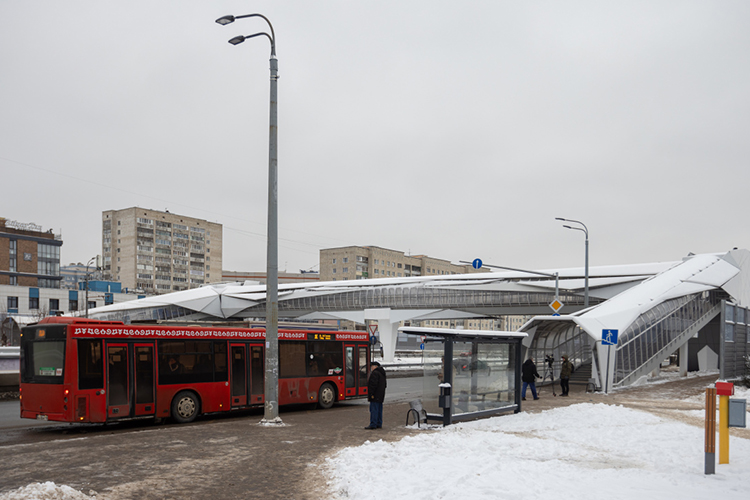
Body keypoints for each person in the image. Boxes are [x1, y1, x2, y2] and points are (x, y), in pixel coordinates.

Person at [365, 361, 387, 429]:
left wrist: (371, 394)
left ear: (375, 366)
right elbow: (385, 385)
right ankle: (379, 423)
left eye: (372, 366)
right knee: (379, 410)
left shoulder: (375, 373)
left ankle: (373, 424)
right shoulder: (382, 373)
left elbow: (372, 385)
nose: (371, 368)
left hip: (375, 395)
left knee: (374, 410)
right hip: (380, 395)